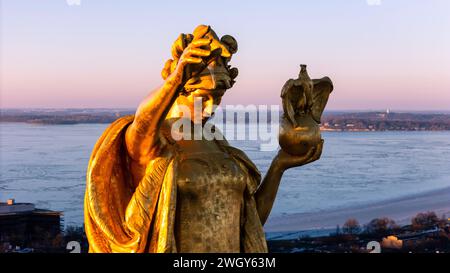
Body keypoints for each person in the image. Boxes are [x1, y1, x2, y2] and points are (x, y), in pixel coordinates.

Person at [84, 25, 323, 253]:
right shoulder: (156, 143)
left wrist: (279, 166)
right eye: (203, 97)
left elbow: (248, 225)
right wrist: (175, 80)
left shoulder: (218, 144)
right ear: (180, 90)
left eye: (217, 98)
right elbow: (144, 120)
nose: (210, 108)